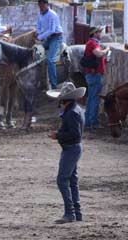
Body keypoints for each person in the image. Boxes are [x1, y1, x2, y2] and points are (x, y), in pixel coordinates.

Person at [46, 82, 86, 223]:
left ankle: (70, 213)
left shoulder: (72, 113)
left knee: (62, 180)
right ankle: (77, 213)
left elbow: (74, 135)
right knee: (72, 180)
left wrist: (58, 136)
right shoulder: (77, 110)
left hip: (71, 149)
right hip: (74, 148)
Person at [82, 25, 108, 129]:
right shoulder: (93, 43)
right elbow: (99, 54)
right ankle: (93, 122)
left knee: (91, 99)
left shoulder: (91, 43)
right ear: (95, 33)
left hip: (92, 75)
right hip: (95, 75)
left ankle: (88, 122)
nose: (101, 34)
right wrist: (106, 50)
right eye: (99, 32)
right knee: (94, 99)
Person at [36, 0, 63, 89]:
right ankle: (41, 81)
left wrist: (40, 37)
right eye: (39, 5)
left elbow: (52, 30)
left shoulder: (52, 14)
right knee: (34, 52)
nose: (41, 7)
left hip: (56, 37)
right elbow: (38, 27)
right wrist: (38, 34)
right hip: (47, 38)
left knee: (51, 60)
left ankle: (54, 86)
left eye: (42, 5)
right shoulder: (40, 14)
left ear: (47, 4)